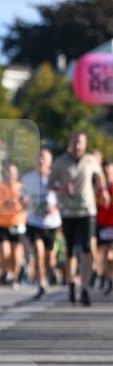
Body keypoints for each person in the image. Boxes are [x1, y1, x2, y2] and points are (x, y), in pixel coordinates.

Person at [49, 131, 108, 306]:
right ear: (70, 143)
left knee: (87, 249)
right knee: (70, 250)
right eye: (75, 142)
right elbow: (50, 183)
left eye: (81, 143)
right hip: (68, 212)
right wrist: (60, 188)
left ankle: (84, 287)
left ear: (85, 144)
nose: (77, 146)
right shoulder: (60, 162)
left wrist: (102, 190)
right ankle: (71, 283)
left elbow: (100, 177)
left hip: (87, 210)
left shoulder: (90, 160)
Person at [21, 149, 62, 300]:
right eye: (39, 158)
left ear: (49, 162)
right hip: (34, 221)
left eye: (44, 159)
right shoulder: (27, 178)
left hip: (51, 222)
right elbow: (22, 197)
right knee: (38, 252)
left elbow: (63, 198)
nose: (41, 161)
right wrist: (24, 202)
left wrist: (55, 208)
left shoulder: (55, 178)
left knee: (49, 257)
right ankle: (42, 284)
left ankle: (51, 269)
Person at [0, 164, 27, 289]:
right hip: (2, 223)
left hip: (17, 222)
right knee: (4, 250)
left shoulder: (21, 187)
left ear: (16, 175)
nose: (10, 176)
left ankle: (15, 277)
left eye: (12, 173)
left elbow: (26, 203)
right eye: (8, 173)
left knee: (16, 253)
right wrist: (7, 203)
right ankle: (7, 271)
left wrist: (22, 202)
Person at [95, 160, 113, 294]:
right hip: (102, 225)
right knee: (105, 255)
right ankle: (109, 279)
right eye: (105, 169)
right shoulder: (98, 189)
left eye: (109, 169)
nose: (107, 172)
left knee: (111, 255)